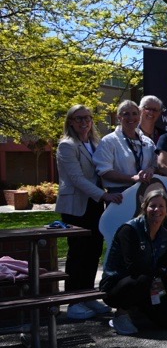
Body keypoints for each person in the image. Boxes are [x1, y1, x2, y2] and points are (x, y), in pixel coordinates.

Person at [56, 105, 123, 320]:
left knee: (93, 251)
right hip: (76, 207)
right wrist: (104, 195)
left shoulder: (95, 143)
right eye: (78, 118)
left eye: (87, 118)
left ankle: (87, 295)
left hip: (94, 204)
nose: (84, 122)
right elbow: (76, 179)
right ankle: (74, 301)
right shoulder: (67, 146)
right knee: (78, 253)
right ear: (71, 122)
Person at [100, 188, 167, 334]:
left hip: (147, 283)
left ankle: (137, 307)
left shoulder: (164, 234)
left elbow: (159, 266)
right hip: (117, 285)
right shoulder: (129, 230)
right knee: (143, 278)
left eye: (161, 206)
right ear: (144, 208)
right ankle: (120, 314)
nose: (156, 209)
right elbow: (134, 268)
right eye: (152, 205)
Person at [95, 99, 157, 194]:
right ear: (119, 117)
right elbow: (105, 172)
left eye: (134, 113)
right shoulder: (108, 141)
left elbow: (156, 164)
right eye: (126, 114)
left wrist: (151, 169)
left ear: (140, 116)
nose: (131, 117)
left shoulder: (148, 142)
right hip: (119, 194)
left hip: (146, 191)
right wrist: (133, 178)